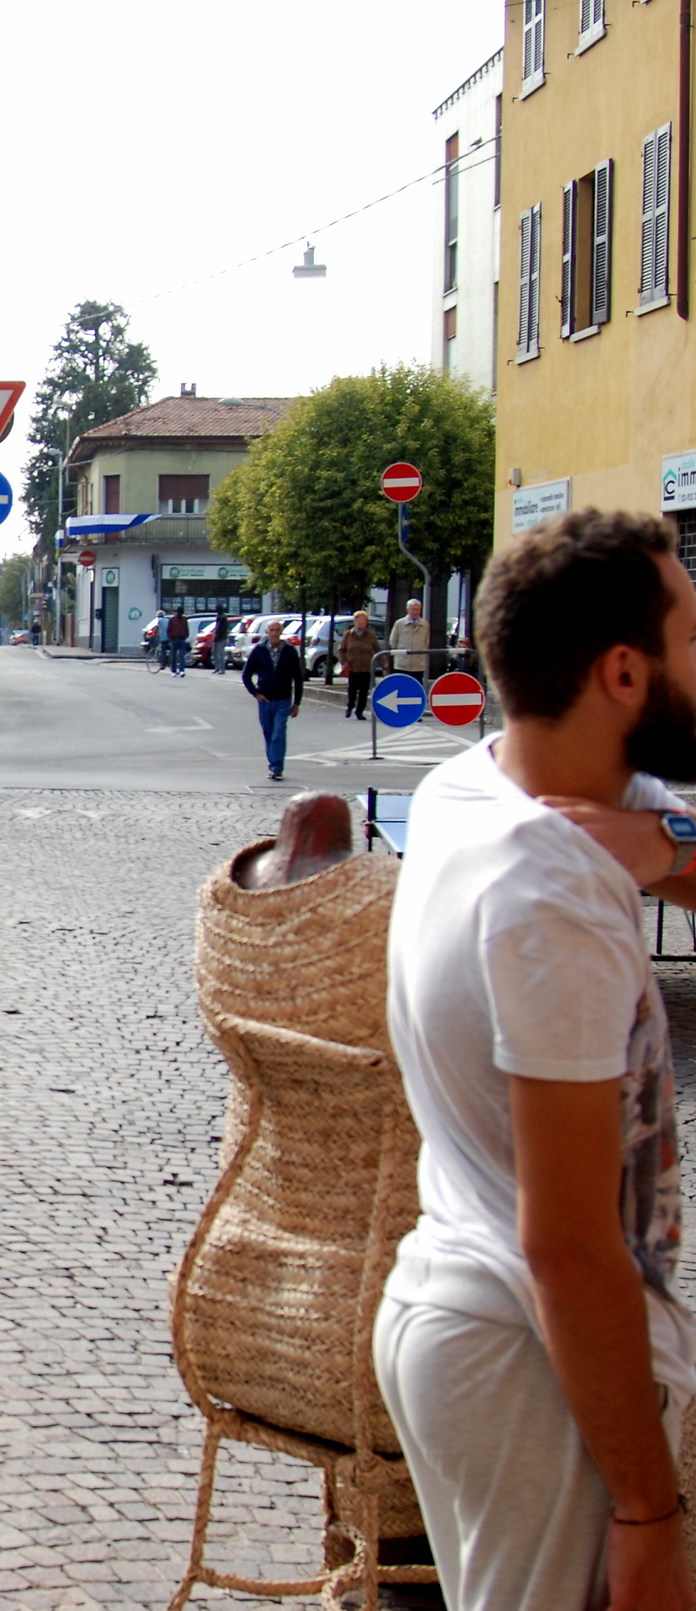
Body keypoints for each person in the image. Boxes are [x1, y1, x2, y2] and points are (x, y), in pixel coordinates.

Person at [374, 510, 696, 1611]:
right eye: (690, 642)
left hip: (462, 1321)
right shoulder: (547, 894)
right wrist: (651, 1512)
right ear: (622, 672)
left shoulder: (488, 780)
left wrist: (670, 846)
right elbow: (567, 1246)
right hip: (530, 1357)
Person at [240, 617, 304, 781]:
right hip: (265, 700)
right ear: (267, 632)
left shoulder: (289, 651)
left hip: (283, 699)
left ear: (281, 632)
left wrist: (297, 703)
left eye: (277, 630)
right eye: (272, 630)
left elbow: (298, 678)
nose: (275, 633)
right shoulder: (259, 650)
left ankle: (277, 767)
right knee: (268, 733)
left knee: (278, 733)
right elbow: (246, 675)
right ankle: (273, 763)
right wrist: (255, 693)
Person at [338, 610, 381, 720]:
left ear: (366, 622)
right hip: (352, 667)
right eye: (359, 620)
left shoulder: (371, 635)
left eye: (363, 620)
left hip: (366, 668)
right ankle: (350, 706)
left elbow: (377, 649)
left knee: (364, 691)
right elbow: (341, 650)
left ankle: (359, 711)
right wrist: (344, 662)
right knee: (352, 690)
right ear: (355, 621)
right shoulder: (348, 634)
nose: (361, 622)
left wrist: (384, 662)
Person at [390, 597, 432, 676]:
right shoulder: (399, 623)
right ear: (408, 609)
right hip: (402, 665)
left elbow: (426, 642)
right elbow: (393, 641)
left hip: (418, 665)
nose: (416, 612)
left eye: (418, 609)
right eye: (413, 609)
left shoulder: (425, 624)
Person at [165, 607, 191, 677]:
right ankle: (174, 670)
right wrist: (171, 638)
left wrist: (186, 636)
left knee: (181, 656)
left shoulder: (184, 620)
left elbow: (187, 629)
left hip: (182, 639)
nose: (180, 614)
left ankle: (181, 670)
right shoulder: (172, 620)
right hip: (175, 639)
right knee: (173, 656)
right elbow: (168, 630)